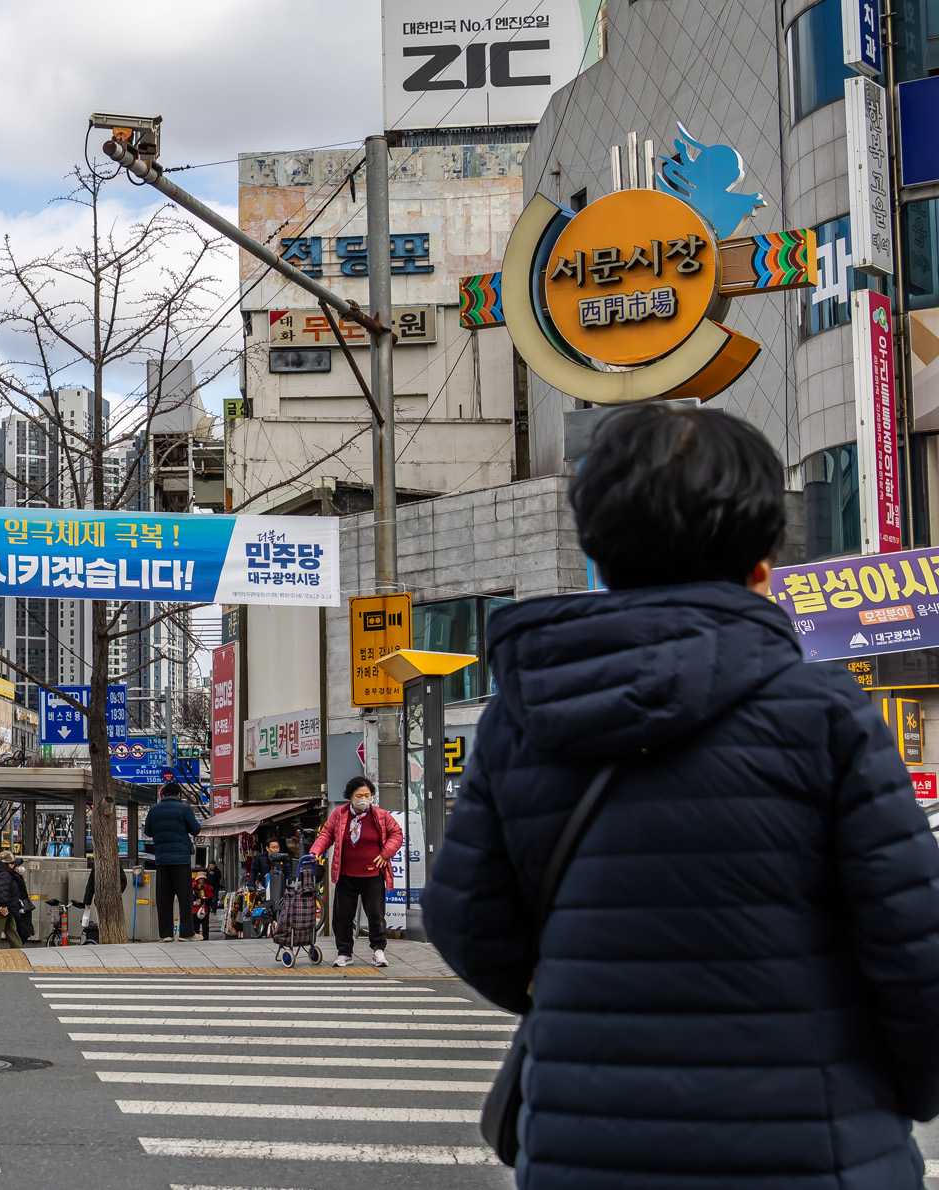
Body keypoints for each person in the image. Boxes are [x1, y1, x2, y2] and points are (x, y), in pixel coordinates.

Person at [425, 403, 939, 1187]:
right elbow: (915, 949)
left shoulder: (521, 719)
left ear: (600, 554)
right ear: (763, 563)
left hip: (585, 1148)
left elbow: (465, 919)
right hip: (810, 1148)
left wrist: (580, 990)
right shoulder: (825, 714)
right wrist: (900, 1091)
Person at [310, 776, 403, 967]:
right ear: (350, 796)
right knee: (342, 916)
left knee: (376, 915)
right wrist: (315, 851)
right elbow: (326, 834)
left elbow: (396, 834)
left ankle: (378, 951)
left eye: (367, 795)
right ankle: (344, 953)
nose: (363, 799)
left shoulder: (381, 815)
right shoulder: (339, 814)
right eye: (359, 796)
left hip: (373, 874)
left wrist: (386, 853)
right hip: (345, 875)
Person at [142, 778, 201, 941]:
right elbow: (196, 829)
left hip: (162, 860)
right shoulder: (184, 809)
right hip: (181, 860)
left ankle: (166, 934)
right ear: (178, 794)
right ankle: (186, 933)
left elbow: (148, 831)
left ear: (163, 794)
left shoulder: (154, 810)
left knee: (164, 899)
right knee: (185, 898)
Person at [190, 865, 223, 940]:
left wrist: (202, 901)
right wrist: (194, 902)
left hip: (205, 909)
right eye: (200, 879)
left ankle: (205, 938)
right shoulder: (193, 887)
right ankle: (196, 937)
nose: (202, 880)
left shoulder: (208, 887)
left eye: (203, 879)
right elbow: (189, 897)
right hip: (195, 910)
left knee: (205, 926)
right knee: (195, 926)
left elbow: (210, 898)